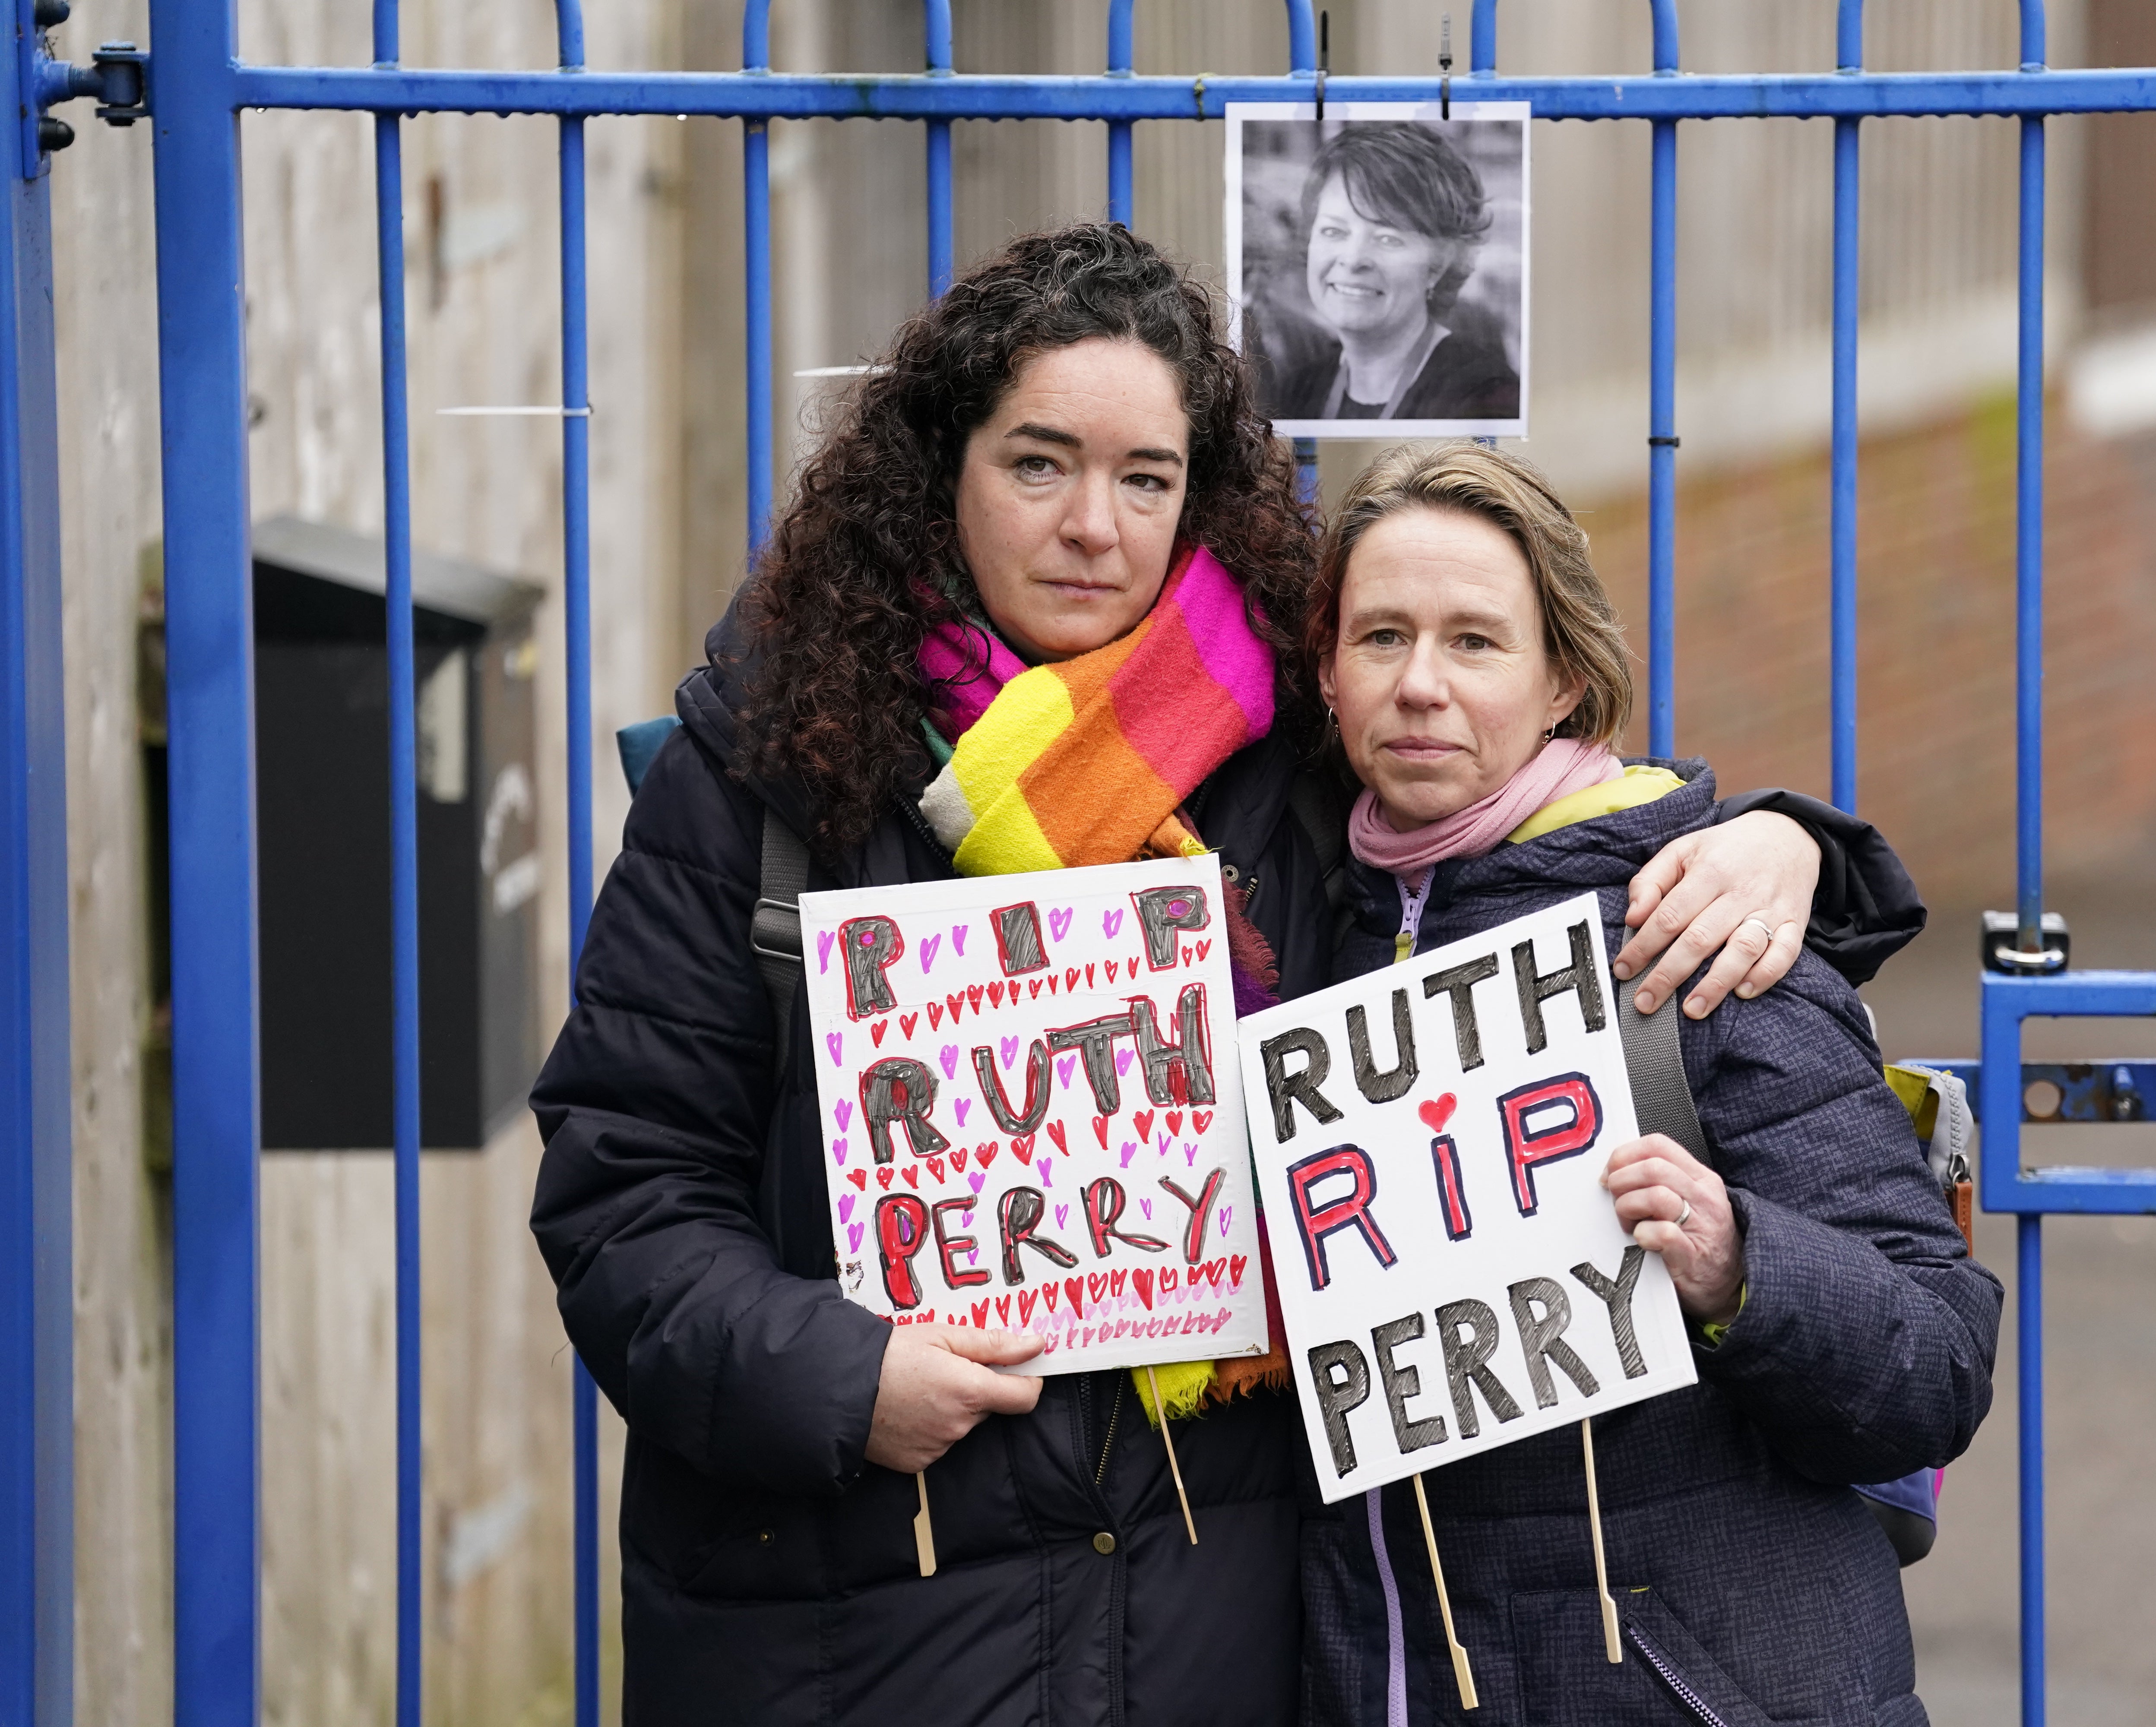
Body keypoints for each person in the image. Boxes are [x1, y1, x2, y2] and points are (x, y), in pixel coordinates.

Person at [529, 224, 1922, 1725]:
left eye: (1147, 478)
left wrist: (1785, 849)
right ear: (943, 467)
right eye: (1039, 464)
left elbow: (1535, 828)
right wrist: (839, 1377)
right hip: (854, 1625)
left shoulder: (1289, 754)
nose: (1094, 529)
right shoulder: (773, 762)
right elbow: (626, 1186)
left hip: (1214, 1624)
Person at [1299, 441, 2000, 1725]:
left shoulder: (1692, 930)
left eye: (1473, 642)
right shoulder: (1300, 944)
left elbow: (1937, 1361)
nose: (1417, 686)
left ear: (1565, 675)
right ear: (1326, 670)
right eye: (1380, 635)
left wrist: (1743, 1269)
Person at [1256, 123, 1521, 424]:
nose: (1354, 260)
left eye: (1388, 239)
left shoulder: (1486, 396)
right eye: (1334, 231)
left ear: (1439, 263)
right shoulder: (1301, 389)